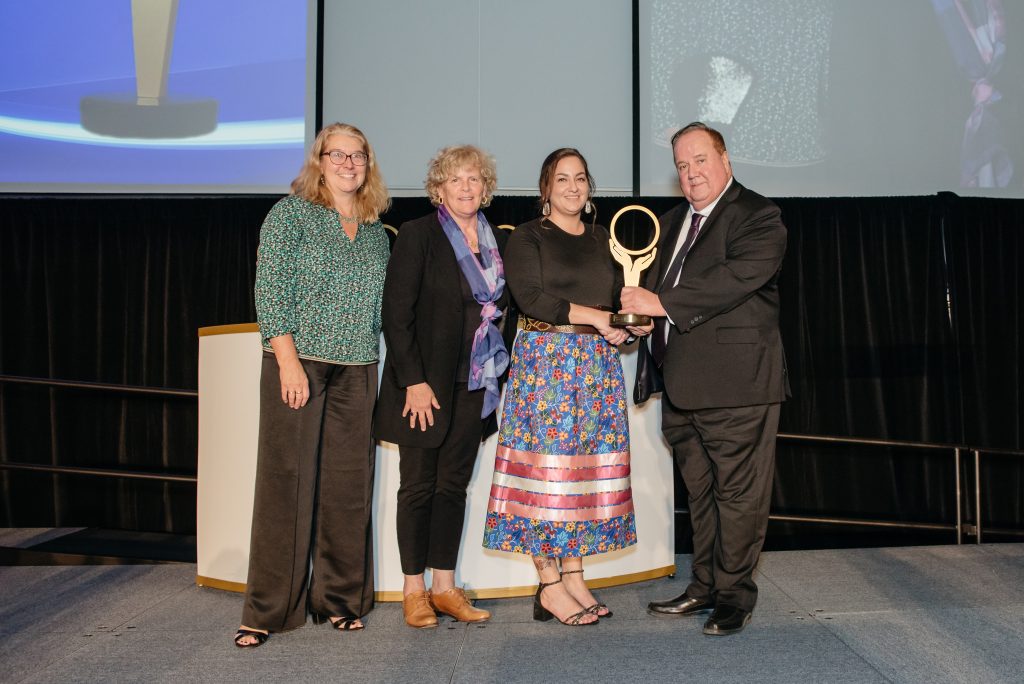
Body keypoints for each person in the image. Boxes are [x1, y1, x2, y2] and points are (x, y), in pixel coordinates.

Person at [619, 121, 788, 636]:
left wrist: (661, 303)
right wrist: (636, 321)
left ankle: (735, 597)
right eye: (682, 165)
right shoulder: (670, 221)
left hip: (738, 387)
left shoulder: (758, 216)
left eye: (700, 160)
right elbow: (653, 292)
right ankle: (706, 585)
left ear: (725, 160)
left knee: (739, 496)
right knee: (701, 495)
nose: (691, 173)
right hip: (683, 388)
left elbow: (733, 279)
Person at [234, 123, 391, 647]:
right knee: (286, 485)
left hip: (357, 367)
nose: (349, 163)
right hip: (298, 363)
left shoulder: (373, 229)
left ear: (368, 164)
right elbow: (270, 288)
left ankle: (341, 600)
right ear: (319, 160)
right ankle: (266, 610)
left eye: (358, 155)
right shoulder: (290, 215)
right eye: (338, 154)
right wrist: (287, 360)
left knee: (348, 488)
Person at [482, 148, 641, 627]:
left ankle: (574, 576)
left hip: (596, 369)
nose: (573, 187)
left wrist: (632, 325)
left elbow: (617, 300)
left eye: (581, 179)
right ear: (545, 188)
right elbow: (530, 297)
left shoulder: (602, 239)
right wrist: (599, 317)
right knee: (545, 476)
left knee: (583, 477)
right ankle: (548, 583)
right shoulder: (528, 236)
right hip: (546, 366)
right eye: (562, 179)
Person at [375, 145, 510, 629]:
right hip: (425, 387)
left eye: (474, 179)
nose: (467, 188)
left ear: (485, 188)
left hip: (474, 384)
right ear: (439, 188)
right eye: (457, 180)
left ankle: (445, 587)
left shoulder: (495, 241)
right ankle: (414, 592)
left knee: (453, 487)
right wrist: (413, 380)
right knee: (417, 487)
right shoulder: (418, 235)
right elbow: (397, 315)